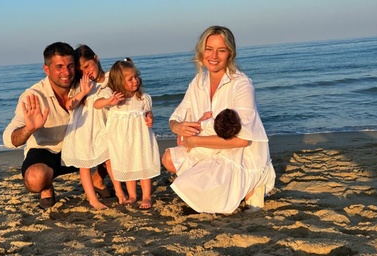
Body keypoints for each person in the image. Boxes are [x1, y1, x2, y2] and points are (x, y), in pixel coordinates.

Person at [162, 26, 275, 214]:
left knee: (197, 187)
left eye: (221, 50)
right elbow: (175, 118)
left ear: (230, 53)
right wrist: (178, 128)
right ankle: (234, 191)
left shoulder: (241, 84)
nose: (213, 56)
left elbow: (242, 140)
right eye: (209, 49)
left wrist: (195, 141)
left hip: (238, 154)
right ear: (201, 51)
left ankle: (251, 188)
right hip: (209, 147)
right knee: (169, 159)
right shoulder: (198, 81)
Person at [3, 42, 80, 209]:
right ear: (46, 69)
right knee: (35, 179)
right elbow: (9, 139)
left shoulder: (84, 86)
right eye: (59, 67)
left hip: (80, 148)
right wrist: (29, 129)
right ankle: (46, 187)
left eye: (70, 66)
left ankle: (96, 180)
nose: (66, 72)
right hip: (47, 151)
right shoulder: (33, 96)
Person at [94, 58, 160, 209]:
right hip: (121, 140)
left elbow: (148, 112)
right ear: (119, 81)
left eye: (136, 77)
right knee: (128, 165)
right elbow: (96, 104)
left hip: (140, 138)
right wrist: (109, 101)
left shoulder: (142, 98)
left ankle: (147, 196)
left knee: (143, 164)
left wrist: (150, 117)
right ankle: (132, 195)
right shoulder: (115, 98)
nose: (135, 81)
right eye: (130, 79)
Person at [61, 45, 112, 210]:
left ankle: (120, 193)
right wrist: (83, 91)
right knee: (85, 165)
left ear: (96, 58)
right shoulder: (80, 84)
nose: (86, 72)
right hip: (84, 129)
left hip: (105, 127)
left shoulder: (111, 78)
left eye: (87, 66)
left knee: (110, 159)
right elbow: (69, 105)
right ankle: (93, 200)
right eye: (81, 70)